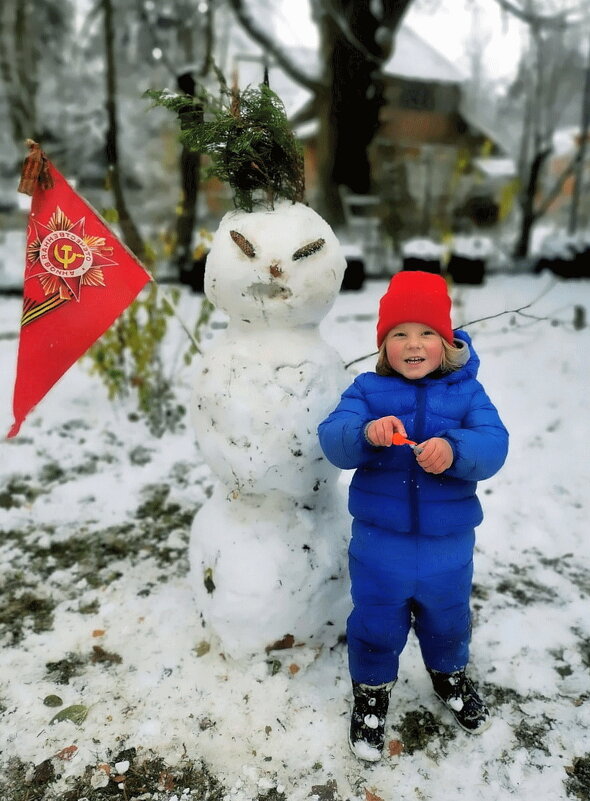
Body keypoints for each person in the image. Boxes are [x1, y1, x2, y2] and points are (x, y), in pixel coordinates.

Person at [317, 271, 508, 762]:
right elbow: (333, 437)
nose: (413, 343)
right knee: (377, 621)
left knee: (447, 618)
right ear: (384, 346)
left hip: (448, 546)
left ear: (446, 343)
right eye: (398, 334)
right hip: (381, 545)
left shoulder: (467, 394)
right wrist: (365, 434)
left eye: (426, 333)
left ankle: (450, 677)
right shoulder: (366, 390)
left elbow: (494, 444)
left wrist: (455, 448)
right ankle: (372, 694)